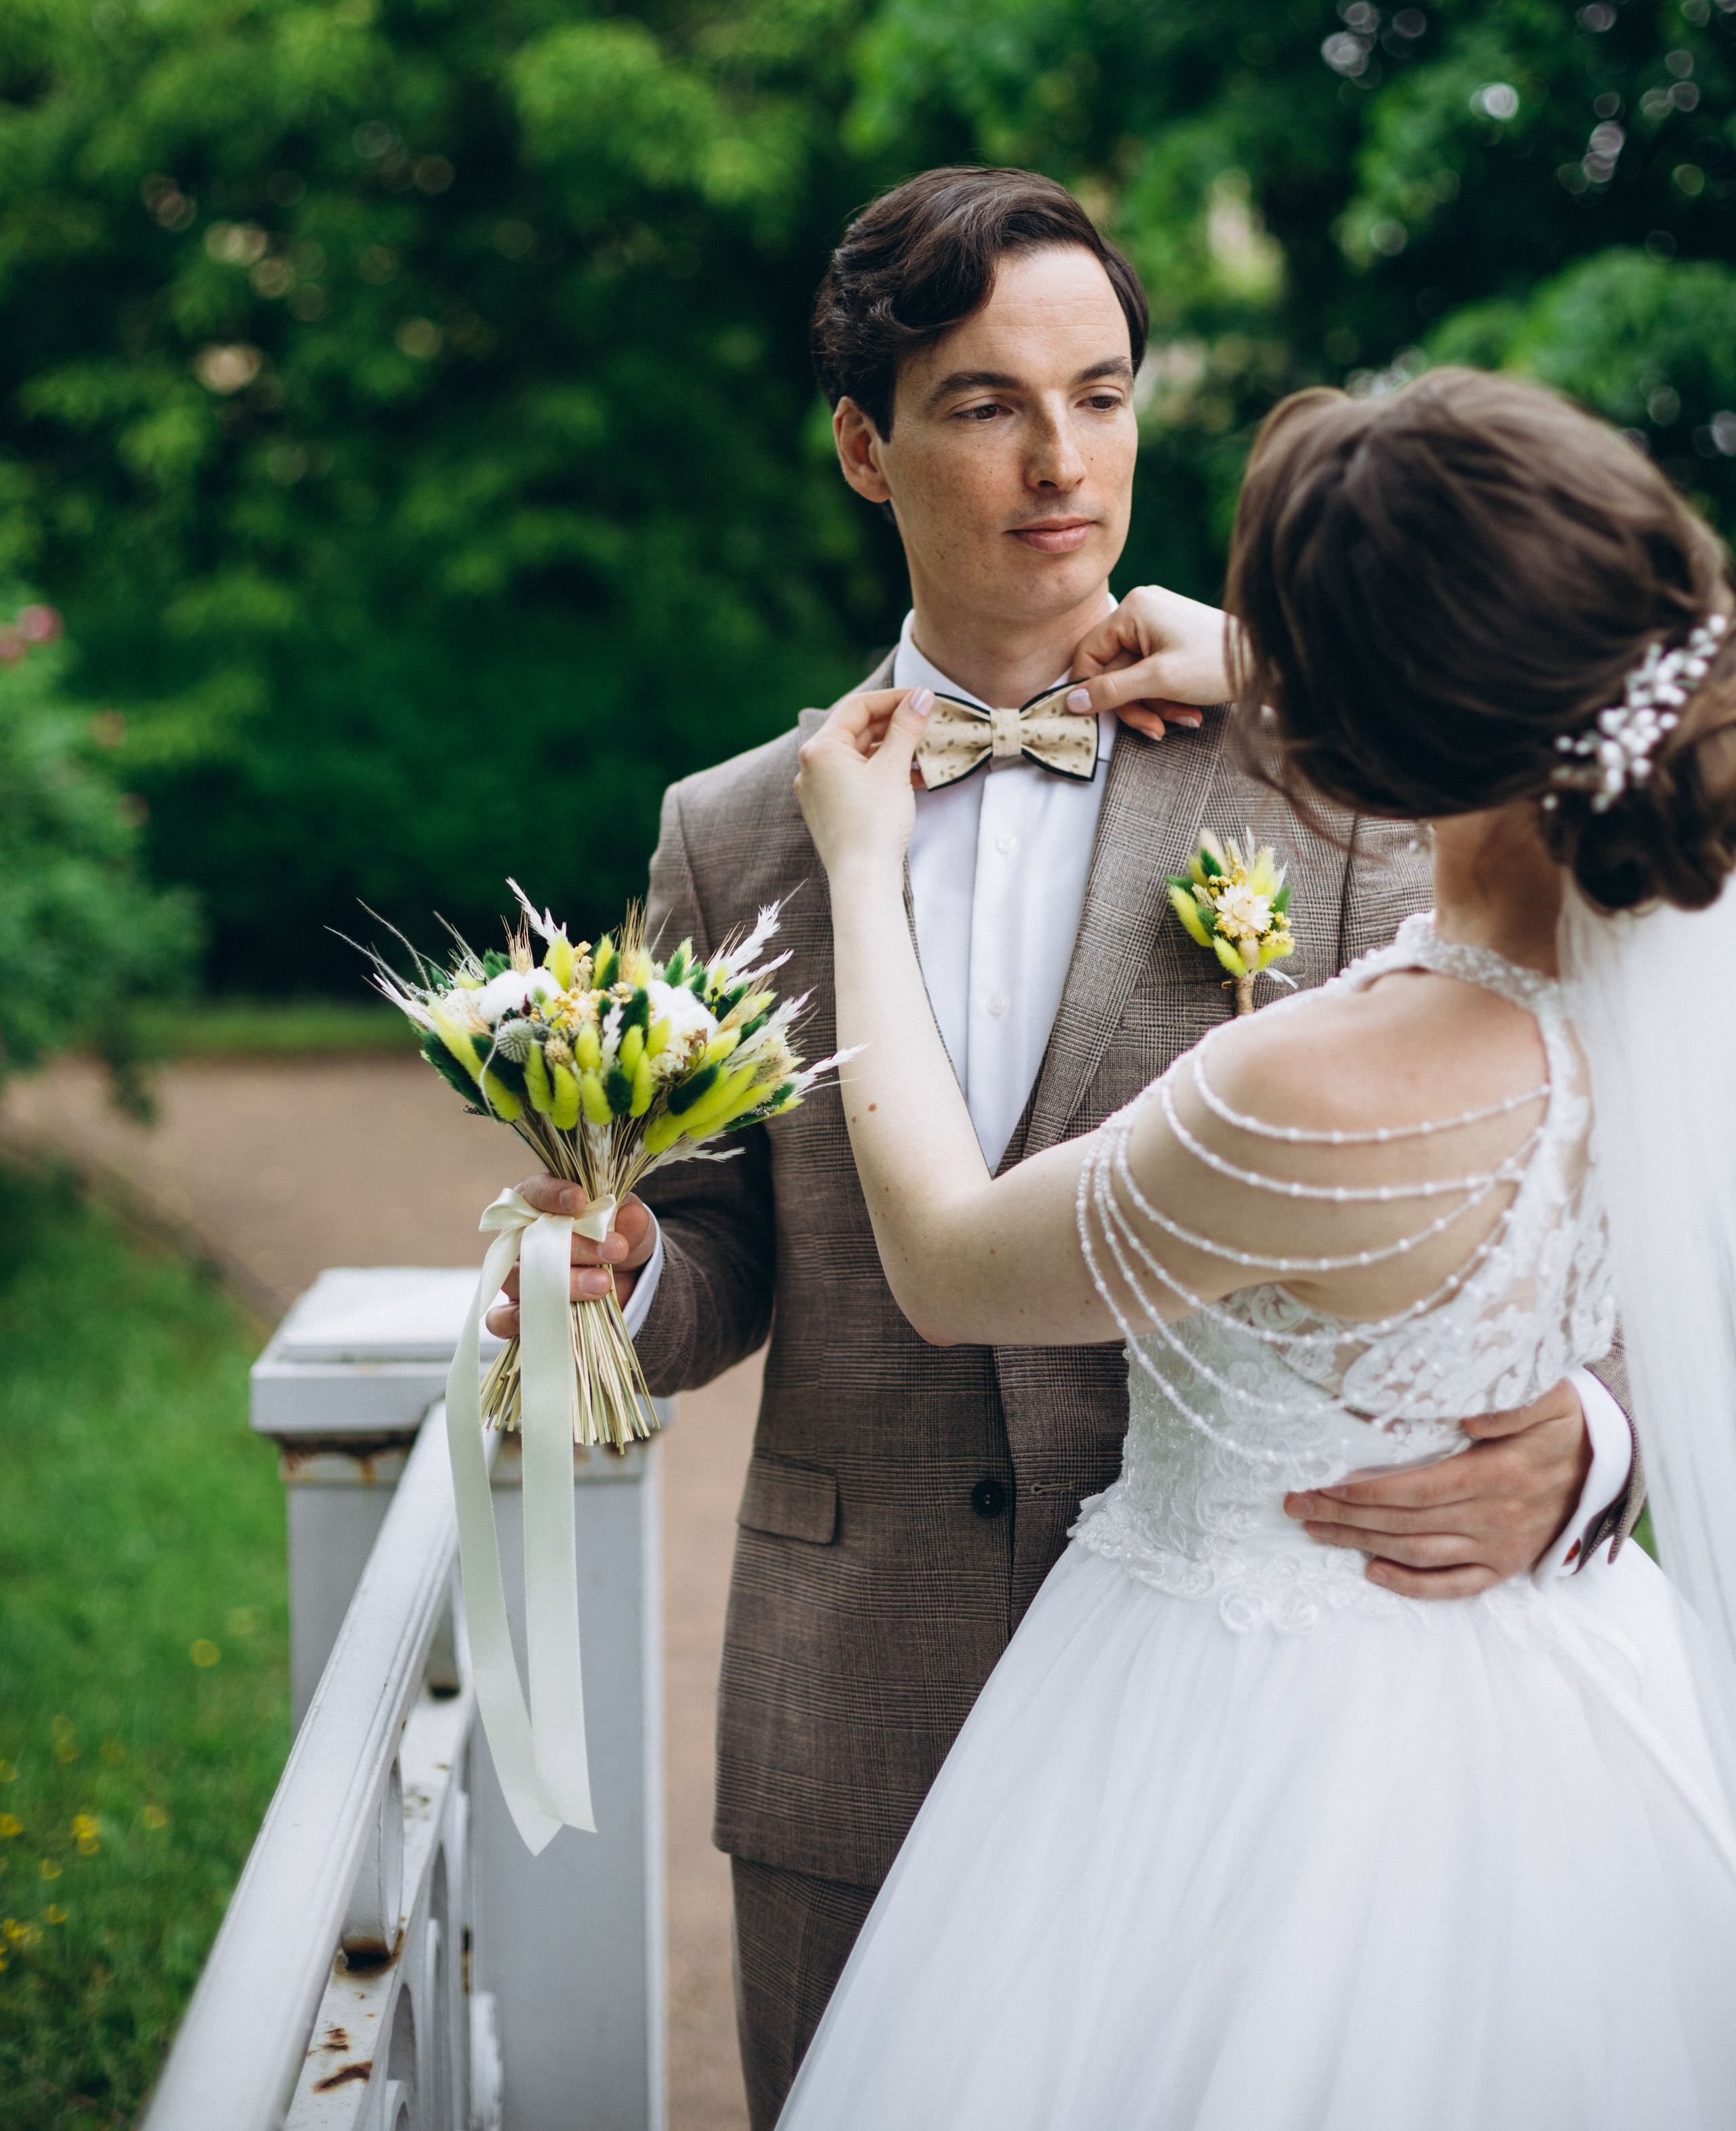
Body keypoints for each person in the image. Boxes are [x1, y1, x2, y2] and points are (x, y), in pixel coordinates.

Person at [491, 176, 1637, 2125]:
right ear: (864, 445)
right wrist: (622, 1284)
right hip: (866, 1699)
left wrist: (1590, 1439)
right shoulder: (739, 832)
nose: (1061, 465)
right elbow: (720, 1254)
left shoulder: (1337, 770)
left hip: (1273, 1725)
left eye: (1101, 395)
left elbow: (1560, 1151)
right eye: (984, 405)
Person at [780, 366, 1736, 2129]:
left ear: (1339, 739)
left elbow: (940, 1256)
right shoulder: (1687, 945)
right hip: (1570, 1714)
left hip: (1227, 1752)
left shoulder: (1312, 1091)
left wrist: (859, 875)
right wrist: (1278, 662)